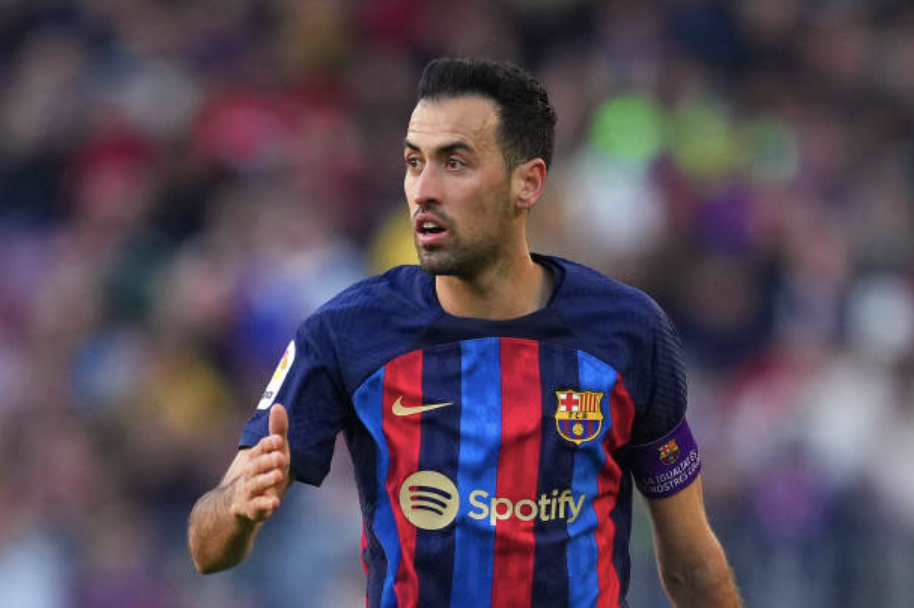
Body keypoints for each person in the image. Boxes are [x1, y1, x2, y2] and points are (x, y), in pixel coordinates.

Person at [188, 56, 743, 608]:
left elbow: (694, 566)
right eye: (413, 163)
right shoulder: (345, 332)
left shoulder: (628, 331)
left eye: (454, 163)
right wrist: (237, 508)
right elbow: (209, 551)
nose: (423, 190)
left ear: (528, 183)